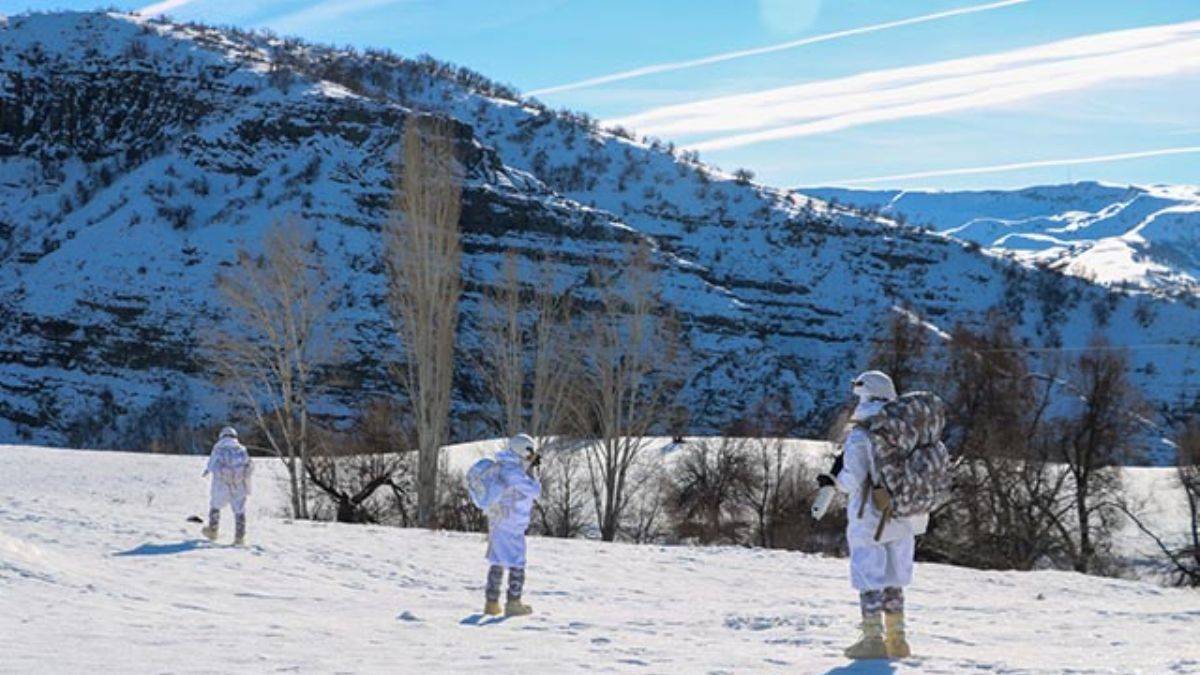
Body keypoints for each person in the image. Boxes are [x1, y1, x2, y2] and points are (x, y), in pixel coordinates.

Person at [817, 370, 926, 660]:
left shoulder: (862, 432)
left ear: (865, 395)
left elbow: (853, 478)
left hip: (871, 514)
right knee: (894, 576)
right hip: (902, 514)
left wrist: (833, 483)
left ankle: (872, 639)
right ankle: (897, 640)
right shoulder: (908, 428)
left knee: (869, 575)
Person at [482, 434, 542, 617]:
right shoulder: (514, 472)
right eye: (530, 452)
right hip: (512, 524)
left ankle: (491, 603)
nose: (532, 456)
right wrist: (535, 471)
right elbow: (535, 491)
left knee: (498, 561)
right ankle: (513, 602)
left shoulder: (504, 467)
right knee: (517, 562)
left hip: (501, 522)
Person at [201, 426, 253, 546]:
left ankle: (213, 530)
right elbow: (248, 465)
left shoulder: (218, 449)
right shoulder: (241, 449)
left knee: (215, 505)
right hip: (239, 485)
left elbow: (211, 464)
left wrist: (206, 471)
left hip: (222, 484)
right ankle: (239, 537)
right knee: (239, 510)